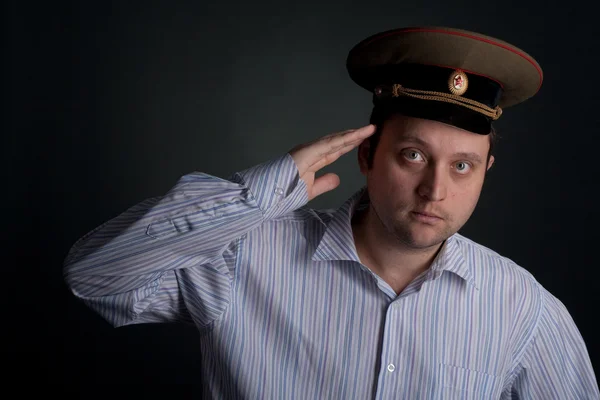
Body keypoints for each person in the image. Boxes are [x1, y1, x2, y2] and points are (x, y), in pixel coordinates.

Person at [63, 26, 599, 398]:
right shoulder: (243, 255)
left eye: (463, 166)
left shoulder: (522, 307)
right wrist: (261, 196)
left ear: (486, 172)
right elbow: (93, 277)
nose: (435, 188)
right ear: (367, 155)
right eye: (413, 155)